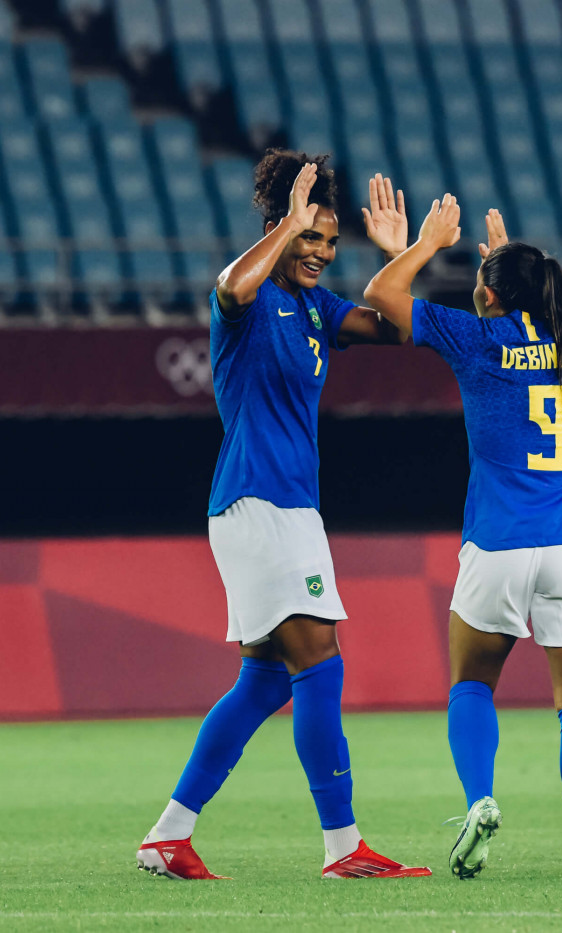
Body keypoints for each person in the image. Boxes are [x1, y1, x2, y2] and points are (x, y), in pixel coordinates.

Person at [135, 150, 429, 881]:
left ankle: (169, 835)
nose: (323, 253)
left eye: (331, 242)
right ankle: (342, 845)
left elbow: (392, 327)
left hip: (289, 508)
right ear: (281, 228)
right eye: (311, 238)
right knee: (319, 665)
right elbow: (229, 285)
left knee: (266, 681)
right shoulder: (252, 298)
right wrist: (286, 227)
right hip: (258, 500)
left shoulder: (314, 307)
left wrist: (405, 256)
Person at [363, 199, 562, 880]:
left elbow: (381, 296)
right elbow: (529, 313)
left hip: (499, 542)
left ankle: (481, 797)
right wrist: (502, 269)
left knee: (472, 684)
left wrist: (421, 246)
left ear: (485, 294)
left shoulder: (475, 340)